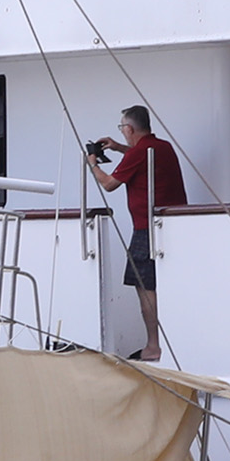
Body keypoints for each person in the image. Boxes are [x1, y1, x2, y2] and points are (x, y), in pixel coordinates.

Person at [84, 103, 189, 364]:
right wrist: (119, 149)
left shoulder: (139, 153)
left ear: (129, 128)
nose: (121, 132)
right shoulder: (161, 147)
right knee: (168, 288)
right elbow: (141, 156)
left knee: (146, 290)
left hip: (146, 230)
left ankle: (153, 347)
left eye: (121, 128)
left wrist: (93, 164)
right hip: (175, 228)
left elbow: (109, 185)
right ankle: (174, 341)